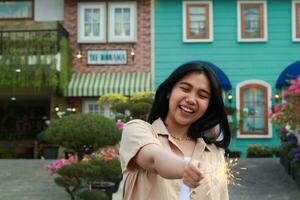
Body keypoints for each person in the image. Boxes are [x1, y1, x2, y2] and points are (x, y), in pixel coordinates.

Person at [120, 61, 231, 200]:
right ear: (168, 92)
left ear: (208, 105)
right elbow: (154, 158)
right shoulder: (137, 131)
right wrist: (184, 167)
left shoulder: (215, 152)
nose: (191, 100)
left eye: (202, 95)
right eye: (185, 89)